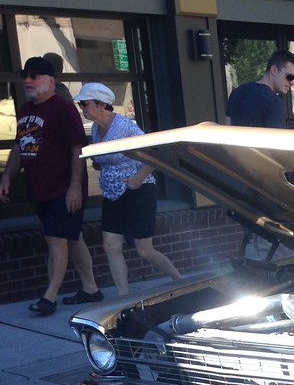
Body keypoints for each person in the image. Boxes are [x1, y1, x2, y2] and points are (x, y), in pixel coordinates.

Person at [0, 56, 102, 316]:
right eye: (26, 76)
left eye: (34, 76)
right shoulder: (24, 111)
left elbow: (77, 149)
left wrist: (75, 188)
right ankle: (91, 288)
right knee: (72, 237)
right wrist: (7, 176)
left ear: (51, 81)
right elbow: (18, 148)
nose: (28, 81)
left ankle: (50, 296)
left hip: (64, 188)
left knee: (54, 238)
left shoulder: (63, 108)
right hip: (40, 189)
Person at [74, 83, 182, 296]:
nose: (82, 109)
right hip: (112, 193)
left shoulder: (125, 128)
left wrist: (137, 179)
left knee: (144, 249)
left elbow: (155, 153)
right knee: (110, 246)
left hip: (138, 190)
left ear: (101, 104)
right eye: (80, 104)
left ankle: (179, 281)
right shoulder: (96, 128)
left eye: (84, 104)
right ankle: (124, 298)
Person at [225, 49, 294, 128]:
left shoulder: (237, 93)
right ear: (274, 70)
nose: (292, 83)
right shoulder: (274, 103)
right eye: (290, 77)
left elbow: (227, 130)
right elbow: (277, 139)